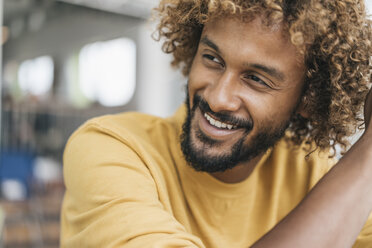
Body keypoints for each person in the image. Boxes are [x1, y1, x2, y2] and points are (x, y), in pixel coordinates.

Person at [60, 0, 372, 247]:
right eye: (212, 59)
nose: (219, 98)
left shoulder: (316, 175)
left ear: (308, 98)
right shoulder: (109, 148)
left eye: (255, 79)